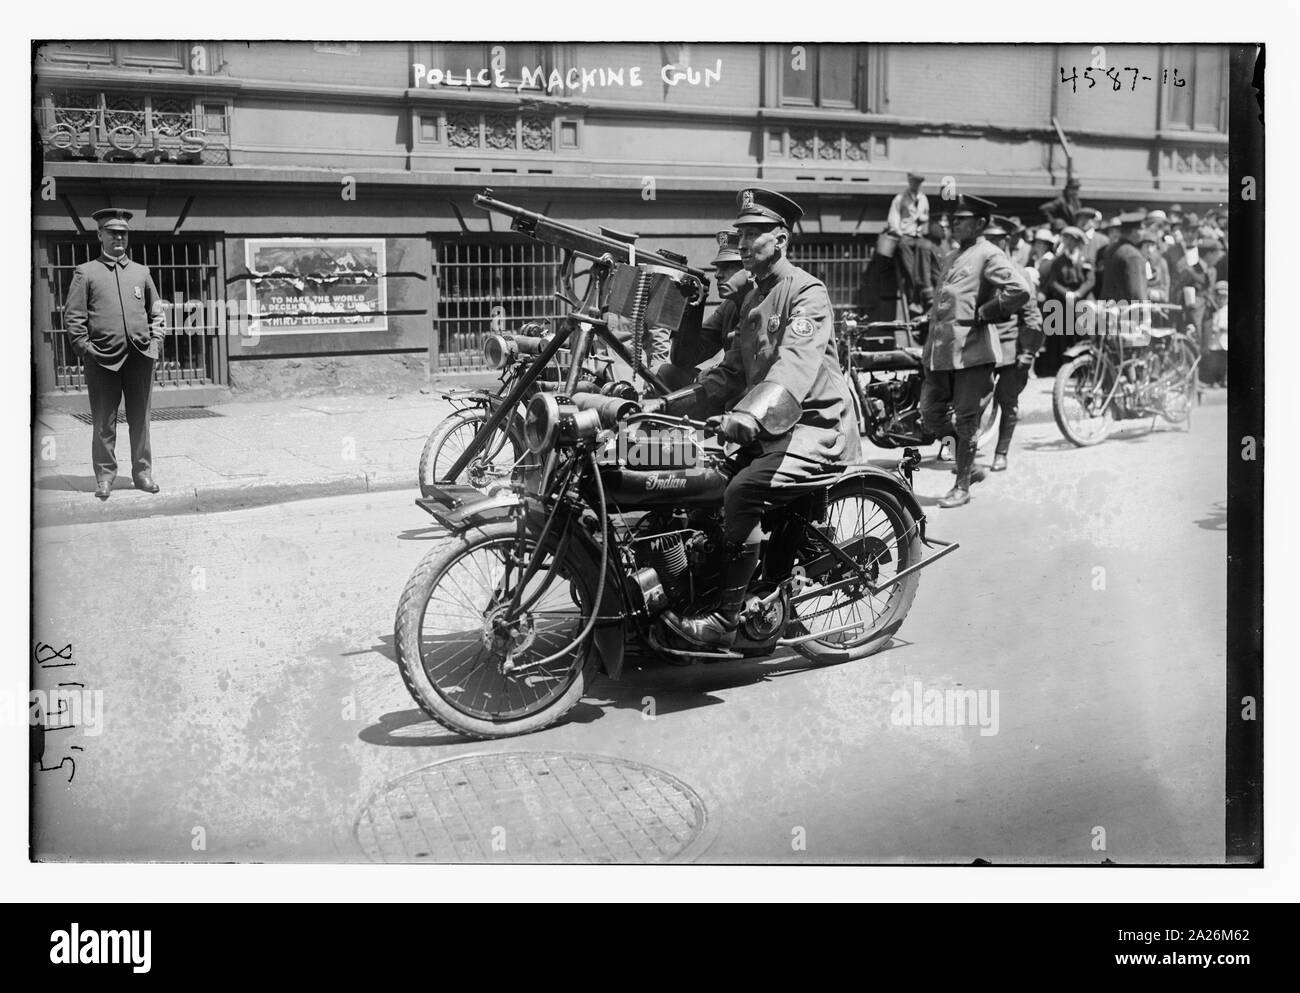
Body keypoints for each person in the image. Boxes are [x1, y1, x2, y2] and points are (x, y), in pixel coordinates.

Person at [642, 188, 861, 647]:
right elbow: (726, 376)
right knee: (692, 476)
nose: (742, 243)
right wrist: (664, 407)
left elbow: (793, 367)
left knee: (740, 490)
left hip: (814, 428)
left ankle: (726, 617)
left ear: (780, 239)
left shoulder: (805, 291)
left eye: (753, 234)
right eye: (738, 233)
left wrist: (746, 418)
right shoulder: (750, 299)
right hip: (771, 429)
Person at [921, 194, 1030, 508]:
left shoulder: (989, 253)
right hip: (940, 353)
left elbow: (1019, 290)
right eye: (954, 219)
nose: (954, 223)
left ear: (980, 223)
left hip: (972, 352)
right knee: (930, 416)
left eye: (962, 219)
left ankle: (962, 485)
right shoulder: (953, 255)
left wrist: (987, 311)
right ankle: (969, 465)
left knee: (967, 421)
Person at [63, 208, 167, 500]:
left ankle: (142, 473)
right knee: (103, 423)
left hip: (139, 359)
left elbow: (156, 312)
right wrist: (85, 348)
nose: (119, 237)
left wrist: (155, 345)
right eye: (112, 232)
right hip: (102, 360)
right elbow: (73, 317)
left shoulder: (141, 272)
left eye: (123, 233)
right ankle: (105, 477)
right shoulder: (86, 272)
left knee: (140, 421)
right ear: (100, 235)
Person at [982, 223, 1044, 473]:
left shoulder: (1019, 273)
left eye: (997, 241)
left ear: (1006, 242)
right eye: (988, 241)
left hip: (1009, 350)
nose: (992, 246)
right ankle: (967, 452)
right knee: (973, 404)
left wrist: (1028, 352)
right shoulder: (980, 272)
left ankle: (1001, 453)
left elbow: (1031, 316)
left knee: (1008, 402)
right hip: (982, 349)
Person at [657, 230, 751, 390]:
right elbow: (683, 360)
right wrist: (694, 304)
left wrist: (705, 377)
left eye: (728, 267)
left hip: (750, 393)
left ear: (750, 269)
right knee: (668, 373)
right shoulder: (729, 307)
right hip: (727, 385)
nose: (717, 275)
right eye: (718, 267)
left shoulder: (765, 303)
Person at [1038, 225, 1095, 375]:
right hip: (1064, 303)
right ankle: (1065, 368)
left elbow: (1090, 281)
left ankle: (1083, 369)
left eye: (1071, 241)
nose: (1068, 244)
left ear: (1078, 243)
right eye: (1066, 241)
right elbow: (1053, 282)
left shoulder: (1085, 259)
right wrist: (1067, 294)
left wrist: (1078, 293)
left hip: (1082, 302)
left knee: (1083, 334)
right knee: (1063, 335)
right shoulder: (1058, 262)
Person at [886, 172, 931, 314]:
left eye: (918, 182)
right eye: (913, 182)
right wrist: (899, 233)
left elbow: (926, 216)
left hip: (918, 236)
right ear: (909, 182)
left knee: (923, 266)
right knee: (911, 269)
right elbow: (893, 218)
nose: (915, 185)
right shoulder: (900, 199)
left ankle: (925, 296)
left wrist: (922, 221)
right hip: (905, 236)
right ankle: (914, 300)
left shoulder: (923, 198)